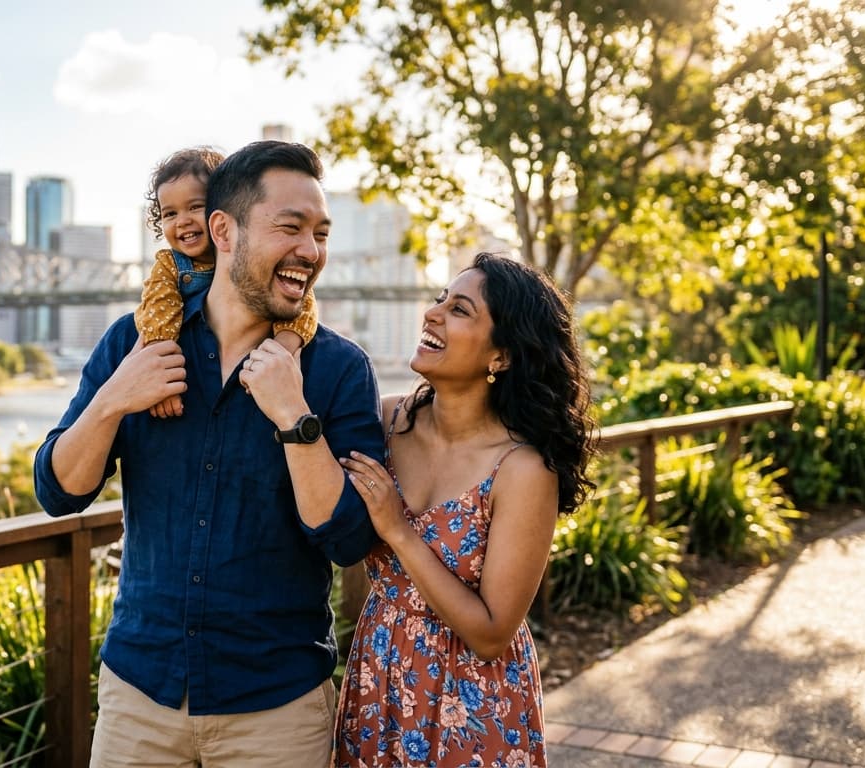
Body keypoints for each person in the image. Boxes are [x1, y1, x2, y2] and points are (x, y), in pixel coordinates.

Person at [33, 140, 383, 766]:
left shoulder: (336, 368)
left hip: (278, 712)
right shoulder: (131, 343)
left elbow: (349, 538)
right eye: (291, 227)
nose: (311, 250)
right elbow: (59, 491)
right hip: (139, 698)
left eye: (321, 234)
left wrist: (294, 418)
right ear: (224, 230)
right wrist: (113, 400)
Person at [334, 252, 597, 767]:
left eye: (459, 310)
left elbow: (492, 632)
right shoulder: (383, 420)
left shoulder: (522, 469)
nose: (432, 314)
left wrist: (398, 529)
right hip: (378, 672)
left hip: (474, 702)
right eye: (438, 301)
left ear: (501, 356)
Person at [136, 146, 319, 418]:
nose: (183, 222)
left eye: (195, 207)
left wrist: (283, 350)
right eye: (170, 214)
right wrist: (160, 372)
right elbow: (157, 309)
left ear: (222, 216)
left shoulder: (273, 273)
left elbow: (303, 304)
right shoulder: (170, 265)